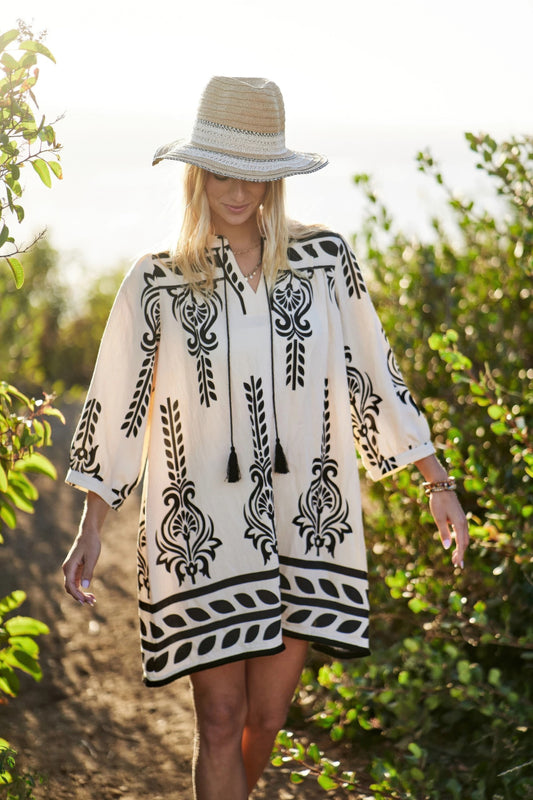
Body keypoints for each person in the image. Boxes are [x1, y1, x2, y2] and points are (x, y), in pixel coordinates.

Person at [62, 76, 469, 800]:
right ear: (197, 173)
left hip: (305, 523)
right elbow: (115, 400)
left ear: (275, 178)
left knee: (268, 717)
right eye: (223, 170)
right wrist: (91, 524)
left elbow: (373, 372)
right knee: (220, 720)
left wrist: (435, 481)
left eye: (254, 172)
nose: (238, 190)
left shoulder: (324, 262)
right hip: (200, 534)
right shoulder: (155, 283)